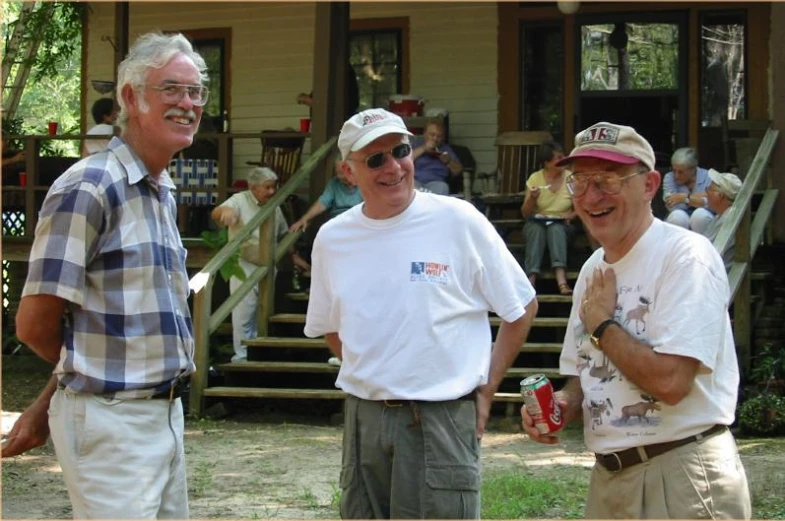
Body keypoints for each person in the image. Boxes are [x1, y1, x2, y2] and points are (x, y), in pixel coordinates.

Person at [5, 32, 206, 519]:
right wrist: (92, 382)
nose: (189, 103)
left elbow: (97, 328)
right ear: (131, 97)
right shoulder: (89, 186)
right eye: (172, 90)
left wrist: (48, 400)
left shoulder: (161, 191)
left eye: (197, 92)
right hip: (114, 423)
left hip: (166, 415)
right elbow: (34, 326)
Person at [304, 108, 538, 519]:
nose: (393, 167)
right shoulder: (332, 238)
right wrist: (380, 373)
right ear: (348, 171)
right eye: (375, 159)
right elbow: (330, 327)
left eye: (399, 151)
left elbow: (521, 307)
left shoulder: (458, 219)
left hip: (441, 415)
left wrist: (486, 388)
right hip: (365, 417)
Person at [521, 121, 751, 519]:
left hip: (682, 474)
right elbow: (583, 375)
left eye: (608, 180)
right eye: (580, 181)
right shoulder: (594, 267)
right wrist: (561, 404)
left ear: (649, 186)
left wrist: (603, 326)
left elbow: (672, 382)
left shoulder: (685, 257)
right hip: (609, 479)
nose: (592, 196)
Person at [211, 167, 291, 362]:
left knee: (261, 312)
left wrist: (295, 257)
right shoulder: (240, 199)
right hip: (244, 262)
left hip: (268, 263)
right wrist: (224, 213)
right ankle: (242, 356)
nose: (272, 191)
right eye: (267, 187)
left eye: (274, 187)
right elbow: (218, 212)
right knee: (243, 311)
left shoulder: (274, 204)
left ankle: (258, 353)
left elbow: (282, 234)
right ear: (253, 188)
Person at [520, 141, 575, 294]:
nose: (563, 159)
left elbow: (581, 206)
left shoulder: (570, 178)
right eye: (558, 158)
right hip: (538, 221)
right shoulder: (535, 179)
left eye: (563, 155)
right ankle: (530, 281)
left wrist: (570, 215)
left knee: (555, 228)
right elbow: (525, 213)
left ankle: (561, 280)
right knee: (535, 228)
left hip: (562, 224)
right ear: (547, 162)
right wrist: (532, 198)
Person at [662, 147, 714, 233]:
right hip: (680, 218)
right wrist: (699, 199)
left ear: (693, 169)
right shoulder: (669, 177)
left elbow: (711, 205)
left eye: (681, 172)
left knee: (700, 215)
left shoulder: (708, 176)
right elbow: (672, 206)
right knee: (677, 216)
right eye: (674, 170)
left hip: (702, 222)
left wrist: (684, 198)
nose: (676, 175)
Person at [702, 168, 742, 271]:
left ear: (718, 196)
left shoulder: (728, 218)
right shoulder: (721, 215)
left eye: (708, 189)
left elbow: (707, 252)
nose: (706, 193)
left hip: (716, 271)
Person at [411, 118, 463, 195]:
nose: (435, 139)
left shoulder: (445, 148)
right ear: (425, 133)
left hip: (437, 183)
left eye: (439, 136)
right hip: (416, 181)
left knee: (443, 187)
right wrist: (424, 148)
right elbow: (405, 159)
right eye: (432, 135)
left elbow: (458, 170)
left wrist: (448, 161)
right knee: (410, 188)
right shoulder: (416, 144)